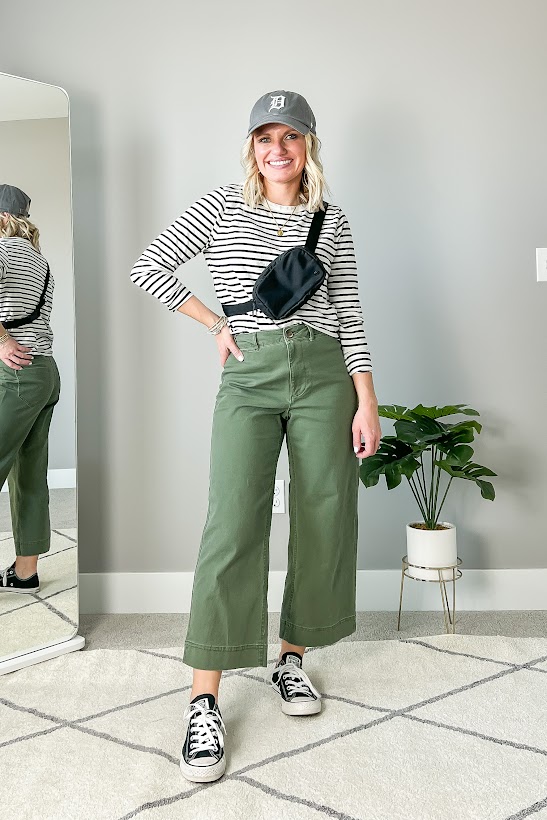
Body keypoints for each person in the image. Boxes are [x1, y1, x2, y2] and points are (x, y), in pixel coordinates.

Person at [130, 89, 381, 783]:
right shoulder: (220, 205)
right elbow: (146, 267)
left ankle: (291, 659)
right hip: (252, 375)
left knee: (324, 513)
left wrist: (367, 402)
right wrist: (215, 323)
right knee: (232, 522)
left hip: (326, 373)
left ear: (308, 145)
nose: (278, 148)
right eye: (265, 137)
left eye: (291, 136)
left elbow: (351, 310)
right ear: (251, 146)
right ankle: (204, 699)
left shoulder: (331, 220)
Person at [0, 184, 60, 594]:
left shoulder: (2, 251)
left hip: (15, 375)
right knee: (29, 477)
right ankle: (25, 573)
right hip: (44, 374)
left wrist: (3, 341)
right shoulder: (39, 259)